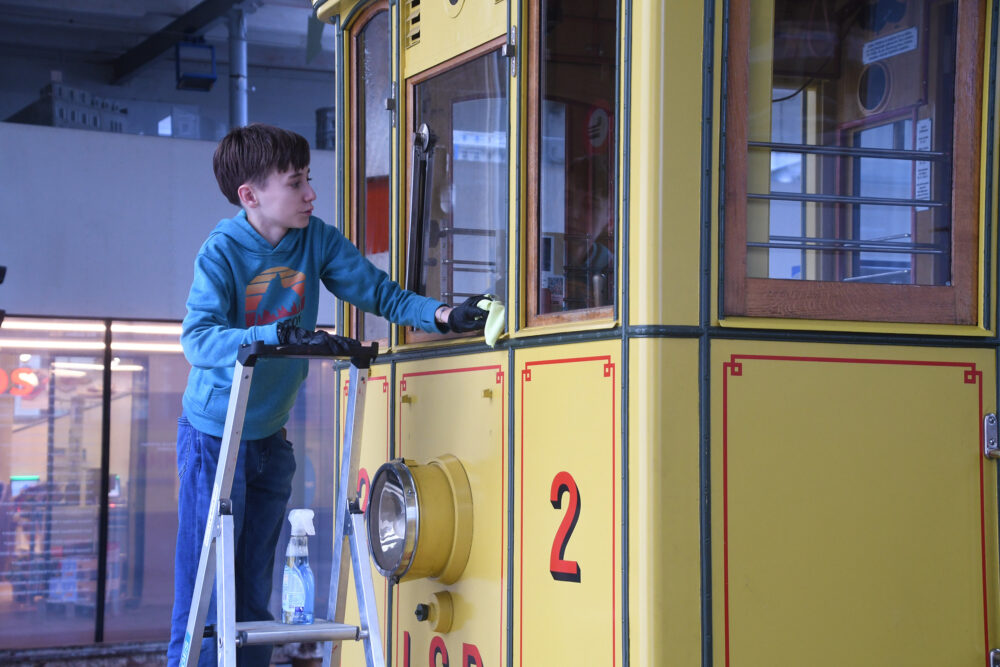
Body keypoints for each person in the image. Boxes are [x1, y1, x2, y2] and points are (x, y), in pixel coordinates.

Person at [168, 123, 489, 667]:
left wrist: (441, 315)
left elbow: (378, 292)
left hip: (270, 439)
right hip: (214, 441)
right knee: (205, 594)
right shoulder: (221, 252)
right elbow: (196, 339)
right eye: (296, 183)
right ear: (251, 196)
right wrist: (271, 336)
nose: (311, 194)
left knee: (252, 594)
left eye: (308, 180)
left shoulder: (315, 239)